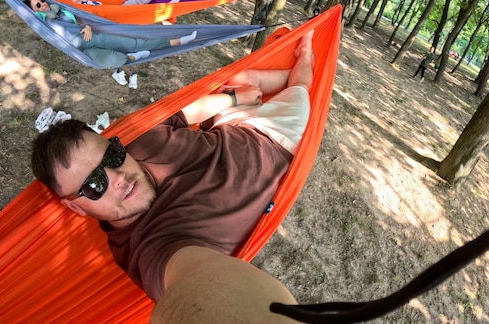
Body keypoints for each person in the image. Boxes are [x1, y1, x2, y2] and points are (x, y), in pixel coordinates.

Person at [30, 30, 315, 322]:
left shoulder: (138, 138)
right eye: (93, 184)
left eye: (112, 156)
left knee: (240, 81)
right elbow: (197, 285)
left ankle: (253, 83)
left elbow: (179, 114)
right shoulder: (151, 250)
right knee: (303, 87)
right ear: (75, 206)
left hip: (229, 127)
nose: (117, 177)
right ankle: (307, 51)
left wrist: (233, 99)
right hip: (273, 137)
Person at [24, 0, 196, 69]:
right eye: (38, 5)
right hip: (81, 50)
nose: (43, 4)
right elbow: (33, 14)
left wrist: (88, 26)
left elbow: (81, 19)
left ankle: (178, 41)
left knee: (133, 42)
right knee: (113, 59)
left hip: (92, 36)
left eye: (42, 1)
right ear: (34, 11)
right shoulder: (42, 20)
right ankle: (133, 57)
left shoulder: (61, 10)